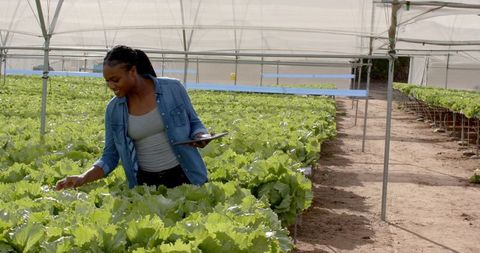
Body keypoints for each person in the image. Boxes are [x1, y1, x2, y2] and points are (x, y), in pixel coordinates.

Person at [55, 45, 210, 190]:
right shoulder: (114, 110)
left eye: (115, 80)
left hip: (186, 175)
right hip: (146, 184)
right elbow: (110, 156)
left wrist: (200, 135)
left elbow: (194, 122)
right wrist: (83, 178)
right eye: (107, 81)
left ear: (132, 71)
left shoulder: (173, 88)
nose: (111, 86)